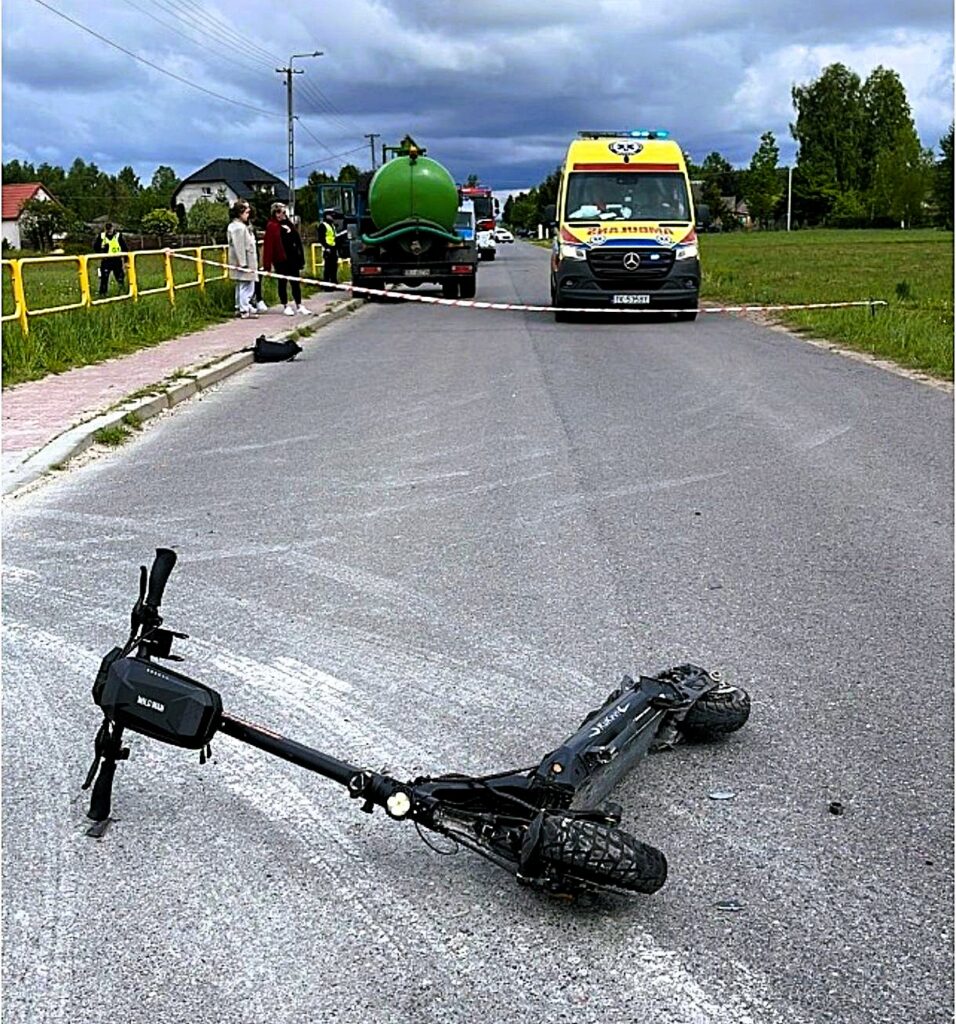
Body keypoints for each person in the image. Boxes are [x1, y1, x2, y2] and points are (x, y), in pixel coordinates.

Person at [263, 202, 311, 316]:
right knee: (282, 282)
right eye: (278, 212)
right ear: (274, 213)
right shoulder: (272, 226)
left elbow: (297, 241)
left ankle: (299, 304)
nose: (281, 215)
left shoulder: (289, 225)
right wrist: (267, 265)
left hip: (293, 258)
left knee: (295, 282)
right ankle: (285, 305)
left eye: (284, 212)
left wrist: (301, 258)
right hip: (280, 259)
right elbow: (268, 246)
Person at [226, 200, 259, 319]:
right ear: (240, 213)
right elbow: (239, 246)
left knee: (241, 285)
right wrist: (243, 263)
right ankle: (244, 309)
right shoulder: (238, 228)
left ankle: (240, 306)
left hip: (245, 260)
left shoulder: (239, 226)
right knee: (247, 286)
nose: (248, 214)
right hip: (245, 262)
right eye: (246, 212)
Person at [92, 222, 128, 297]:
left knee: (120, 278)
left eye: (110, 229)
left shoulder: (118, 236)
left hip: (117, 260)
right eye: (107, 229)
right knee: (104, 279)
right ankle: (102, 294)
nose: (109, 231)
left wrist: (126, 261)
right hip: (106, 260)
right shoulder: (101, 236)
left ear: (113, 228)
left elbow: (125, 248)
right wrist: (101, 250)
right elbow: (95, 247)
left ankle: (123, 293)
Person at [320, 208, 345, 289]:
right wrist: (326, 247)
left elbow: (333, 236)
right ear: (326, 216)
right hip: (328, 249)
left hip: (333, 248)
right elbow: (321, 238)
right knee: (328, 268)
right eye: (331, 216)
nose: (332, 217)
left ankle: (334, 283)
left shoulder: (332, 225)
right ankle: (326, 285)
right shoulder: (323, 225)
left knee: (334, 267)